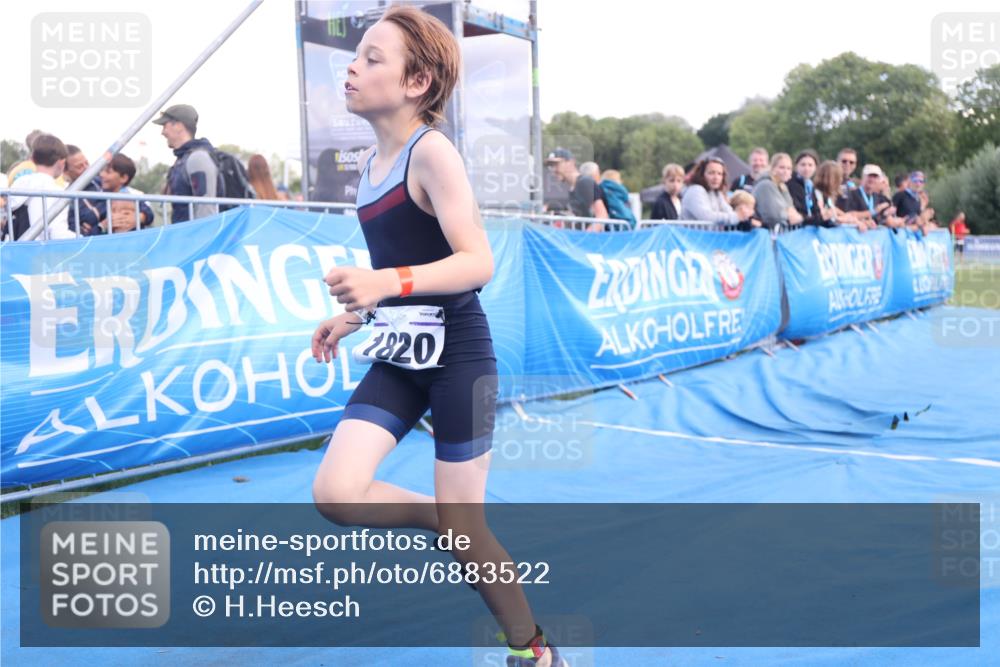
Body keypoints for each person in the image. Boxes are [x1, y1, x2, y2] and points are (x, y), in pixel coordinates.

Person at [308, 7, 567, 666]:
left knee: (467, 530)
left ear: (418, 81)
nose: (352, 66)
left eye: (372, 57)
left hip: (461, 357)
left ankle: (535, 648)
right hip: (400, 349)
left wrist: (381, 284)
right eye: (356, 54)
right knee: (336, 493)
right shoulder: (369, 165)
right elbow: (402, 272)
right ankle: (444, 518)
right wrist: (357, 315)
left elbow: (476, 262)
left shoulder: (434, 152)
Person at [152, 103, 222, 223]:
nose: (162, 132)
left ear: (179, 126)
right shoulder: (184, 159)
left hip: (195, 237)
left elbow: (205, 208)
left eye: (165, 126)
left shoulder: (197, 158)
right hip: (187, 235)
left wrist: (199, 238)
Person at [5, 134, 76, 241]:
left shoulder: (18, 184)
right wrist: (82, 238)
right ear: (61, 163)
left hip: (12, 250)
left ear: (32, 159)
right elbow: (58, 234)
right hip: (39, 253)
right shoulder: (57, 192)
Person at [74, 154, 155, 235]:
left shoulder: (133, 199)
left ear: (123, 178)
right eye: (102, 170)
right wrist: (102, 226)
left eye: (108, 172)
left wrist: (140, 217)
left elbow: (149, 214)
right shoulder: (99, 201)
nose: (102, 174)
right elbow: (89, 232)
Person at [545, 147, 608, 231]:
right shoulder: (572, 187)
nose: (553, 170)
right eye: (551, 166)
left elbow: (602, 215)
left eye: (556, 164)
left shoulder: (585, 182)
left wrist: (585, 236)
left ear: (570, 163)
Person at [751, 152, 804, 230]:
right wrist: (791, 216)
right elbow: (774, 216)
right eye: (782, 167)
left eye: (789, 168)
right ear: (773, 168)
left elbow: (791, 209)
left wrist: (796, 216)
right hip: (766, 235)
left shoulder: (782, 186)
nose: (786, 171)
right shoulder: (766, 185)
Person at [680, 157, 741, 225]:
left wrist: (742, 216)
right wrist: (737, 217)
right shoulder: (695, 190)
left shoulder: (716, 193)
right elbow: (706, 216)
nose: (716, 177)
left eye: (719, 174)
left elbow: (729, 211)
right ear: (702, 174)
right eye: (711, 173)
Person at [814, 160, 870, 230]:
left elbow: (835, 211)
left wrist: (856, 221)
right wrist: (850, 221)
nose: (840, 180)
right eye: (838, 177)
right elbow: (826, 216)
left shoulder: (828, 197)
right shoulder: (817, 194)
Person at [786, 150, 823, 226]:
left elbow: (814, 208)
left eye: (810, 165)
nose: (806, 168)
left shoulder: (810, 185)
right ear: (796, 166)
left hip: (809, 223)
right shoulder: (791, 184)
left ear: (815, 167)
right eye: (803, 165)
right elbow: (798, 210)